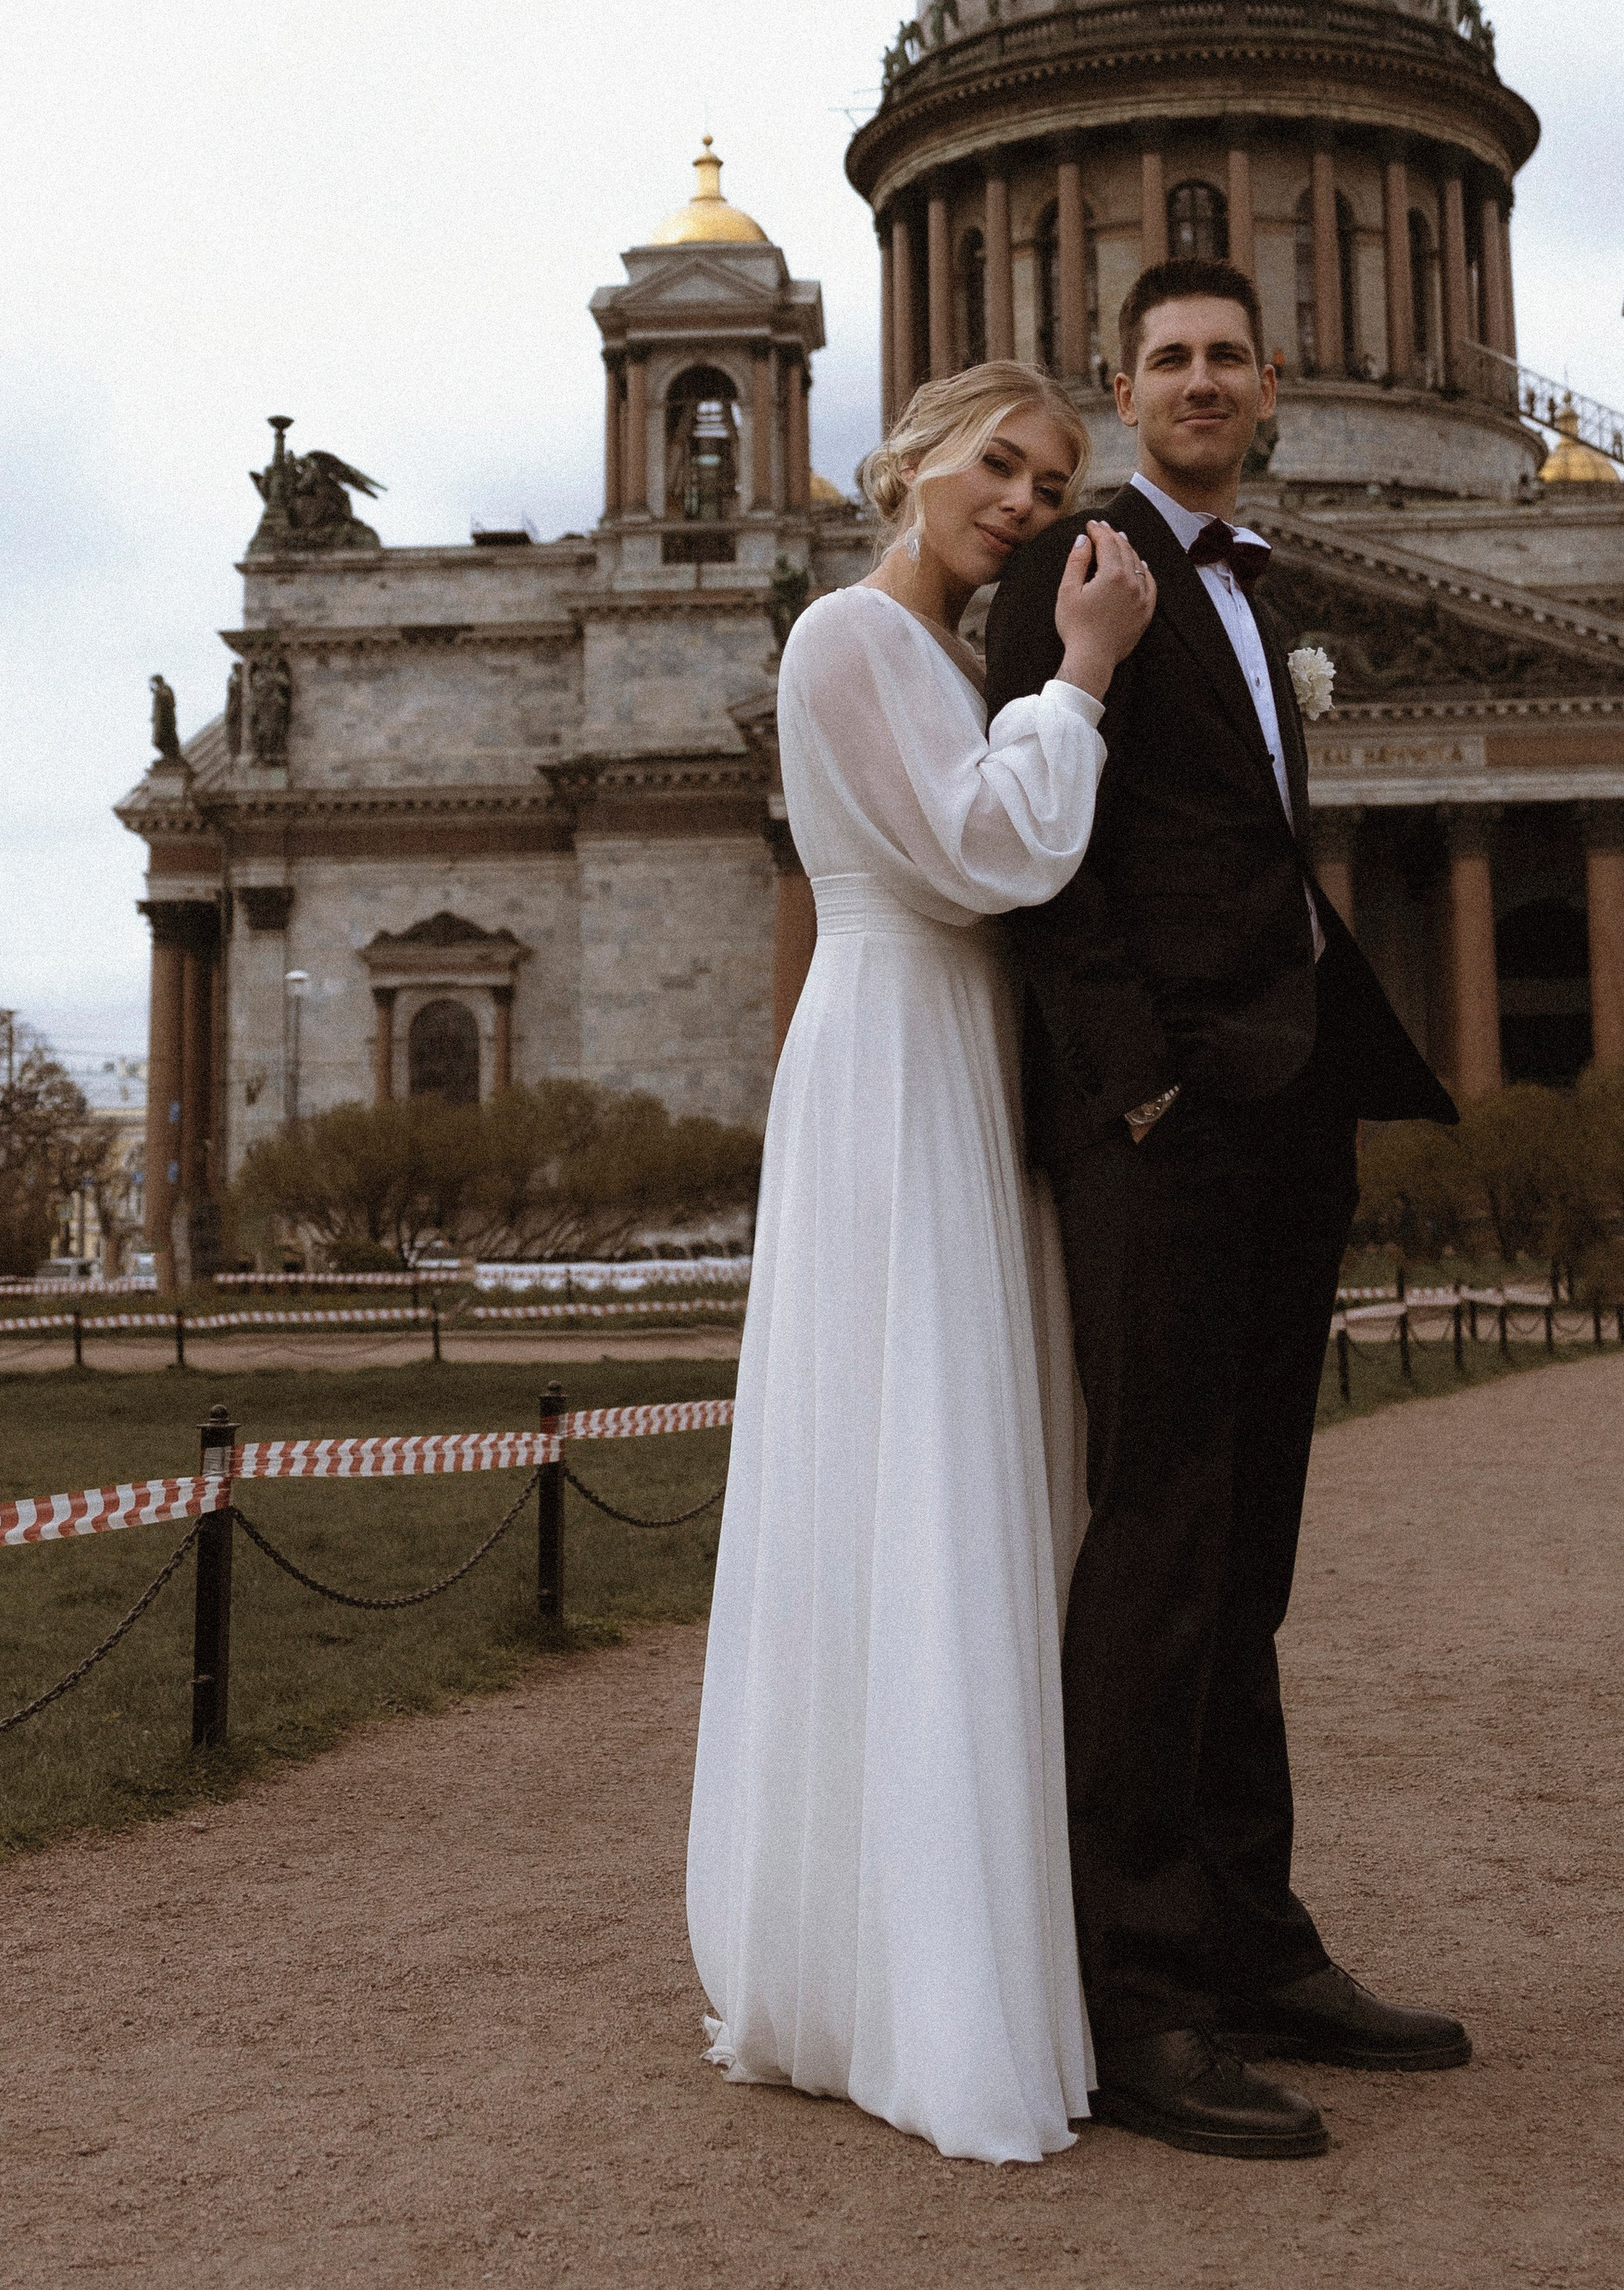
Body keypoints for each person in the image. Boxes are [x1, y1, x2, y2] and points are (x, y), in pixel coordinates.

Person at [986, 259, 1467, 2164]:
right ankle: (1137, 1993)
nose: (1198, 383)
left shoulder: (1252, 587)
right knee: (1163, 1542)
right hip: (1167, 1126)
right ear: (1122, 387)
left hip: (1281, 1119)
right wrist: (1137, 1080)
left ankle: (1252, 1938)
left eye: (1224, 359)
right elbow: (1043, 846)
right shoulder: (1080, 566)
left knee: (1243, 1550)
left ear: (1274, 382)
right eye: (1165, 360)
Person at [688, 362, 1156, 2165]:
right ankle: (924, 1989)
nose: (1026, 502)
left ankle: (904, 1946)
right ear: (907, 461)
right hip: (897, 1057)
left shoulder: (935, 659)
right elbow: (996, 850)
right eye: (999, 463)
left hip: (934, 1055)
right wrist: (1089, 674)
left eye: (1050, 479)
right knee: (921, 1486)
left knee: (930, 1490)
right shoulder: (850, 639)